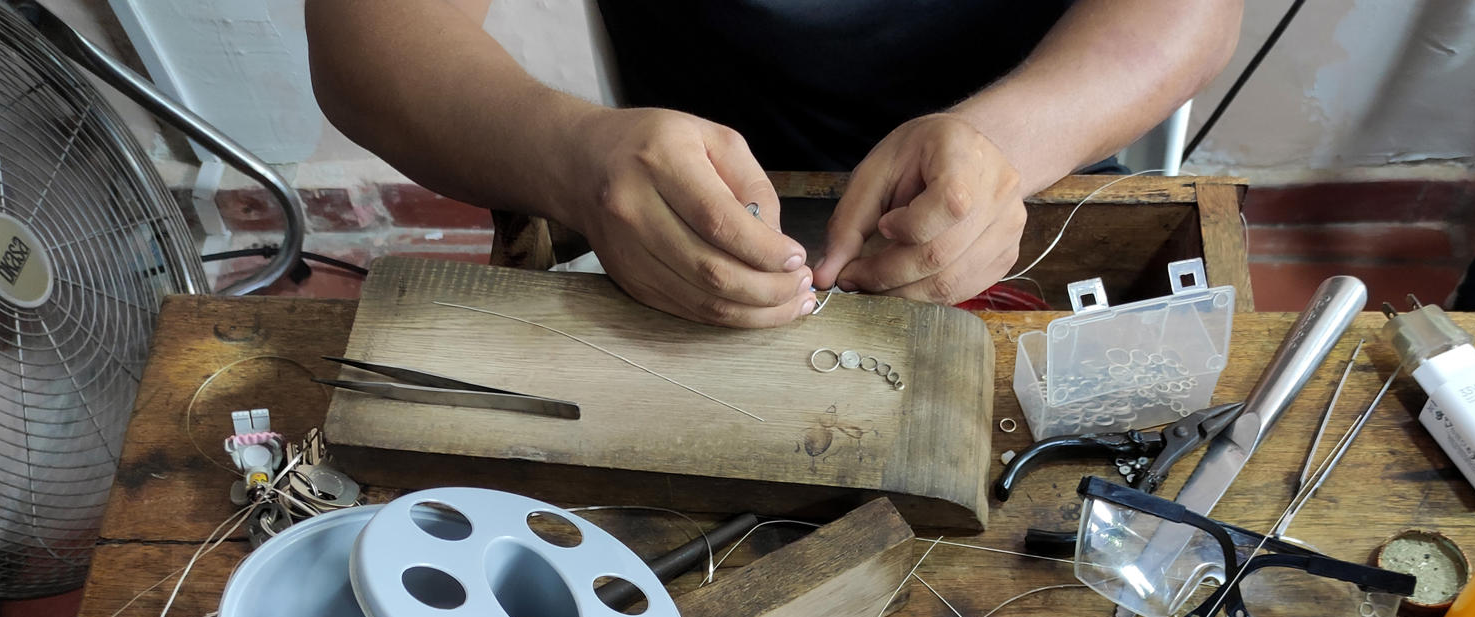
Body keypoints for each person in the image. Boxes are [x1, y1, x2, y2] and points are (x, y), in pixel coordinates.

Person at [306, 0, 1241, 327]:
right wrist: (572, 159)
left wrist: (1003, 148)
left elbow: (1194, 11)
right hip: (680, 216)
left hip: (1027, 187)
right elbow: (365, 36)